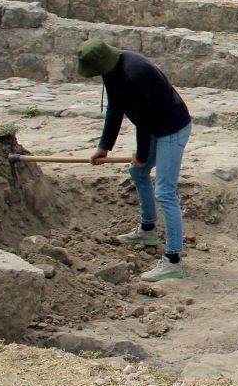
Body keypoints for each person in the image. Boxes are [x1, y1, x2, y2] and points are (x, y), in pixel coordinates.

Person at [78, 38, 192, 282]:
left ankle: (173, 261)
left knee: (165, 191)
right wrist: (104, 147)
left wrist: (141, 155)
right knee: (138, 174)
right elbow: (115, 108)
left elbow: (145, 119)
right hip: (154, 127)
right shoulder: (112, 70)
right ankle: (147, 230)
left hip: (172, 129)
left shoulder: (135, 73)